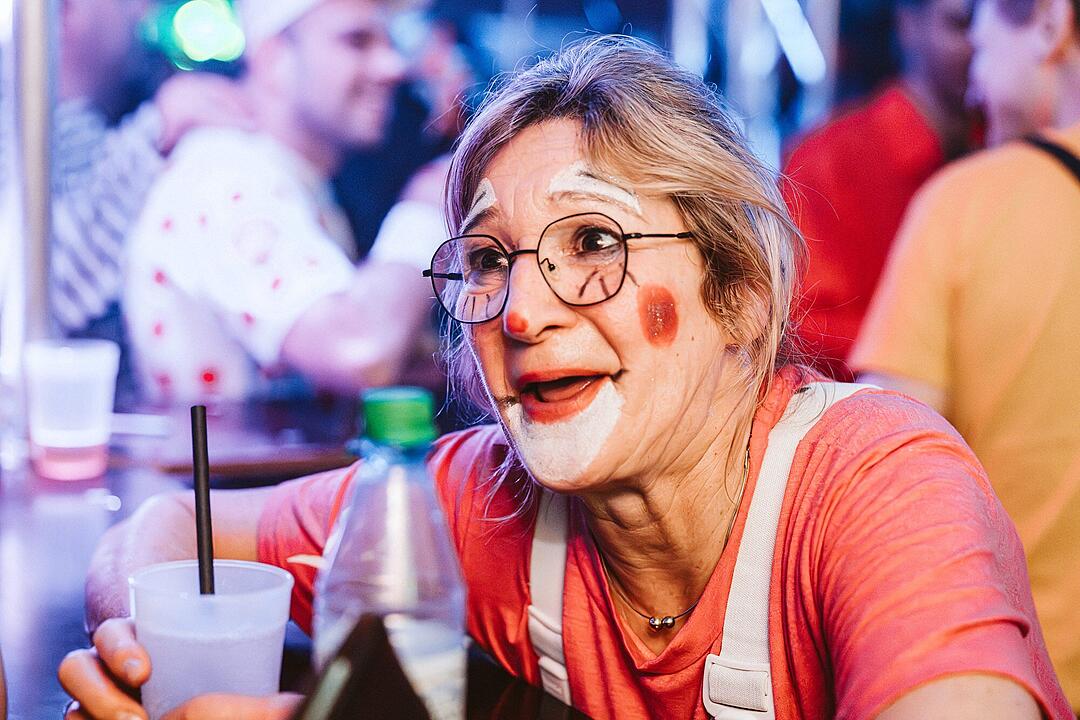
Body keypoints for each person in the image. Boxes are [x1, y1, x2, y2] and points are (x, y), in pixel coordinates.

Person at [58, 37, 1071, 719]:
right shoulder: (472, 500)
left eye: (594, 241)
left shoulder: (878, 486)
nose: (528, 312)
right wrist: (133, 643)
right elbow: (164, 533)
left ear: (741, 297)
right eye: (490, 261)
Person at [851, 0, 1080, 704]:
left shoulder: (966, 205)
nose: (975, 88)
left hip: (1020, 685)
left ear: (1049, 24)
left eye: (981, 51)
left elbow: (882, 488)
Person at [122, 0, 446, 403]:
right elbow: (360, 352)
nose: (393, 66)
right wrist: (428, 204)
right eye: (356, 40)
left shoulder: (290, 176)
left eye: (389, 40)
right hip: (214, 468)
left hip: (268, 467)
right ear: (275, 59)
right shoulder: (225, 174)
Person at [782, 0, 978, 379]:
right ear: (908, 25)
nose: (980, 39)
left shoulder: (998, 152)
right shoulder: (830, 158)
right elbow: (797, 321)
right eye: (961, 23)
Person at [54, 0, 254, 340]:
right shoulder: (23, 126)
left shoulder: (137, 91)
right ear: (67, 10)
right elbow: (55, 288)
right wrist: (157, 126)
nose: (143, 8)